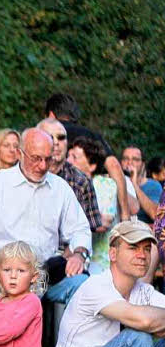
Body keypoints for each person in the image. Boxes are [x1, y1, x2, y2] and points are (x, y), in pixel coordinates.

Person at [0, 126, 92, 325]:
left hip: (45, 271)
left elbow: (80, 229)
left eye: (48, 159)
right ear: (20, 154)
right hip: (1, 269)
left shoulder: (59, 188)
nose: (42, 166)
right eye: (36, 158)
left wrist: (78, 253)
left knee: (84, 282)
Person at [45, 91, 131, 220]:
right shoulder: (91, 135)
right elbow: (113, 165)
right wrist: (125, 213)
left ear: (51, 115)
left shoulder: (42, 135)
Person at [40, 116, 102, 234]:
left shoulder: (80, 181)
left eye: (61, 137)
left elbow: (88, 229)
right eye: (49, 137)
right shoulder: (22, 175)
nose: (56, 142)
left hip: (67, 249)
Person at [68, 135, 117, 274]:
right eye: (68, 156)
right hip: (71, 258)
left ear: (92, 165)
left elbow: (104, 223)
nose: (68, 161)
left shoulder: (105, 185)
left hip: (98, 262)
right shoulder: (65, 183)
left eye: (75, 157)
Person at [121, 144, 163, 224]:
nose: (129, 163)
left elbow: (155, 215)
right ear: (121, 162)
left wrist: (134, 185)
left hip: (144, 233)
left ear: (143, 164)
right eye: (126, 159)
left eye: (135, 159)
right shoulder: (115, 183)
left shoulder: (153, 186)